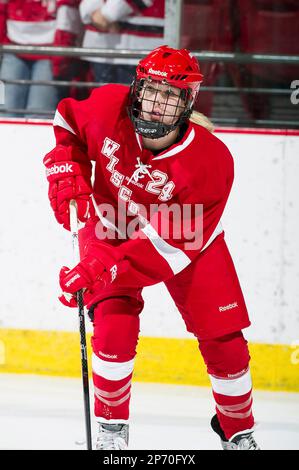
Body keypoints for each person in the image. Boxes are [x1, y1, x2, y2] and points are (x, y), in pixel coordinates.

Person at [43, 45, 260, 450]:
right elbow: (68, 119)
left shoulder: (210, 162)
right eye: (151, 91)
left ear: (187, 102)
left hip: (187, 242)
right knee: (112, 328)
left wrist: (101, 267)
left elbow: (168, 249)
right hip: (112, 224)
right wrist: (67, 167)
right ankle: (111, 433)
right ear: (137, 88)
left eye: (171, 96)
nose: (156, 105)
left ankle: (238, 432)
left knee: (225, 343)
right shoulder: (110, 105)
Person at [0, 0, 82, 117]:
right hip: (12, 47)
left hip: (50, 52)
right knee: (5, 110)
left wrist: (61, 52)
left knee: (39, 112)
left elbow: (68, 14)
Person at [79, 0, 164, 85]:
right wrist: (96, 14)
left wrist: (106, 15)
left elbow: (102, 17)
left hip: (140, 48)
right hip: (100, 47)